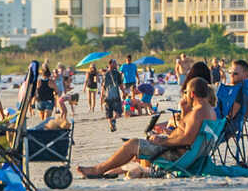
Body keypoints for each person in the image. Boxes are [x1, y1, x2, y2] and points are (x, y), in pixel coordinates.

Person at [79, 77, 215, 178]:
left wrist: (162, 141)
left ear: (192, 94)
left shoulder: (197, 113)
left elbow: (186, 139)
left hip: (176, 157)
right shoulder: (209, 110)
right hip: (190, 155)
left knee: (132, 144)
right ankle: (112, 170)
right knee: (144, 141)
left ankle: (98, 170)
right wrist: (183, 115)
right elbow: (188, 135)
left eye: (186, 93)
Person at [101, 59, 124, 131]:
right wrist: (123, 92)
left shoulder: (105, 74)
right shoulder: (117, 73)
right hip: (115, 96)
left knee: (109, 113)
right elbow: (120, 85)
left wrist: (102, 97)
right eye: (115, 63)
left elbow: (103, 87)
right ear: (110, 64)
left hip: (107, 96)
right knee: (119, 112)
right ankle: (113, 122)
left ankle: (112, 126)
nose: (116, 65)